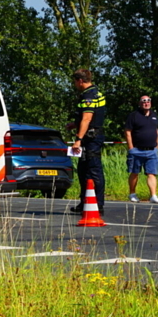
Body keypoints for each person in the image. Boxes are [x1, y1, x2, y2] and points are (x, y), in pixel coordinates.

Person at [67, 69, 106, 213]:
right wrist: (75, 124)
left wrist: (78, 139)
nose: (75, 85)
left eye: (75, 82)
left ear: (80, 81)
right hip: (90, 136)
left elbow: (88, 118)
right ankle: (85, 202)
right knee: (83, 171)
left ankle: (98, 204)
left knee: (93, 170)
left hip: (91, 138)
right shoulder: (95, 92)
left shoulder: (89, 96)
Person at [124, 94, 158, 204]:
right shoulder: (134, 116)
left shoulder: (154, 115)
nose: (146, 103)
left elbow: (156, 130)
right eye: (143, 101)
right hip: (137, 150)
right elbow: (128, 132)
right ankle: (132, 194)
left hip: (152, 150)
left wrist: (157, 145)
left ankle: (153, 195)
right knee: (134, 172)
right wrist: (131, 148)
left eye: (148, 101)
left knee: (152, 173)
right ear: (140, 103)